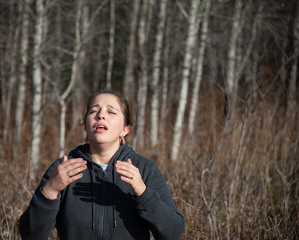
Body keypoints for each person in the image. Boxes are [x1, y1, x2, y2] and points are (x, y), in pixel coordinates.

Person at [19, 90, 185, 240]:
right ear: (85, 125)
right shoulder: (63, 169)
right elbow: (30, 234)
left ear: (125, 130)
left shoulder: (144, 169)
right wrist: (50, 190)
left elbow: (173, 232)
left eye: (111, 111)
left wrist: (142, 192)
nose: (100, 115)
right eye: (93, 111)